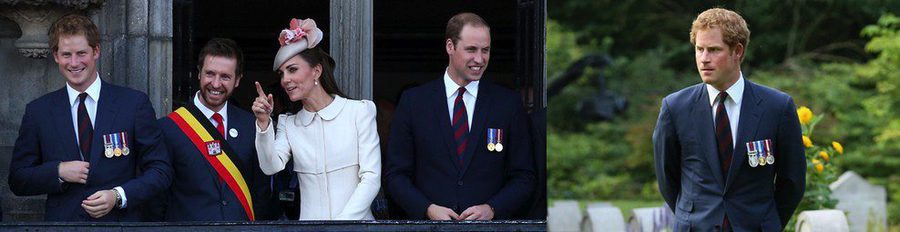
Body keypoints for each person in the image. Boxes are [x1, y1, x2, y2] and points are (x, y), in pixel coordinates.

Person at [652, 8, 806, 231]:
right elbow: (667, 177)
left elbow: (792, 181)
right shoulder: (675, 108)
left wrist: (767, 223)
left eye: (714, 50)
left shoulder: (777, 107)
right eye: (699, 49)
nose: (704, 59)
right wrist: (693, 218)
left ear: (738, 51)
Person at [8, 14, 172, 221]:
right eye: (66, 54)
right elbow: (18, 178)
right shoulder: (38, 111)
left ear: (96, 51)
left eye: (81, 53)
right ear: (56, 55)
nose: (74, 63)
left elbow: (161, 170)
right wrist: (58, 171)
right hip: (64, 226)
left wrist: (118, 196)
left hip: (119, 224)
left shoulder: (133, 104)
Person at [384, 12, 535, 220]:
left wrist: (492, 208)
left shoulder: (507, 104)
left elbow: (524, 176)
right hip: (427, 227)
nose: (479, 59)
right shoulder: (414, 102)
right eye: (471, 50)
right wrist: (427, 209)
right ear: (450, 47)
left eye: (486, 50)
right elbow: (395, 175)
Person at [252, 18, 381, 220]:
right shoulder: (289, 123)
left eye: (292, 69)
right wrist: (263, 124)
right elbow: (270, 166)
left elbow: (371, 178)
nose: (285, 79)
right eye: (282, 73)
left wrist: (341, 227)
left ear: (317, 71)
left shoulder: (359, 112)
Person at [156, 38, 276, 221]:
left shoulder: (251, 125)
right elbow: (158, 195)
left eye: (225, 77)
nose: (216, 84)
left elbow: (262, 190)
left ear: (237, 80)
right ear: (199, 74)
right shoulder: (169, 127)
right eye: (210, 74)